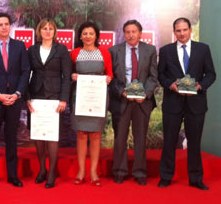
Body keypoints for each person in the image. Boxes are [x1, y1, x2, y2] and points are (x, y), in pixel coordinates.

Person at [157, 17, 216, 190]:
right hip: (172, 103)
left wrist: (200, 86)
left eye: (184, 30)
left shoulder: (202, 49)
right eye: (178, 30)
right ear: (174, 32)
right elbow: (161, 75)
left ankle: (196, 178)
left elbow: (211, 74)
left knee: (195, 142)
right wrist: (170, 84)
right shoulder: (166, 50)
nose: (181, 33)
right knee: (169, 141)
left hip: (196, 103)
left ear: (190, 30)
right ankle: (166, 176)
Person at [0, 13, 30, 188]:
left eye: (6, 24)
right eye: (0, 24)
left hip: (14, 100)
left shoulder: (20, 46)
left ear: (10, 26)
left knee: (11, 139)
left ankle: (13, 175)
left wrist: (17, 94)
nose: (3, 27)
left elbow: (25, 72)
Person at [109, 20, 158, 186]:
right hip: (122, 100)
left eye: (134, 31)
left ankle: (140, 172)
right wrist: (121, 92)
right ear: (124, 34)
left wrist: (145, 93)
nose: (131, 34)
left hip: (142, 101)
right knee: (120, 138)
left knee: (140, 138)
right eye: (127, 32)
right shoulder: (114, 51)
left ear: (140, 33)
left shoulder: (150, 50)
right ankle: (119, 171)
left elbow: (153, 76)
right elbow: (111, 77)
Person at [26, 19, 71, 189]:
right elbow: (26, 74)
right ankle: (42, 170)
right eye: (44, 28)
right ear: (39, 31)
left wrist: (64, 99)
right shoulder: (32, 50)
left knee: (52, 136)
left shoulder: (62, 50)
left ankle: (52, 172)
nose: (47, 31)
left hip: (54, 97)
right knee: (38, 135)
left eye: (50, 28)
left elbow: (67, 76)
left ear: (54, 31)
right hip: (36, 96)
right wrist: (27, 97)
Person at [70, 21, 113, 187]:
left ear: (96, 36)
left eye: (91, 33)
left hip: (98, 97)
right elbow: (68, 73)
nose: (88, 36)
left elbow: (110, 74)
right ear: (80, 36)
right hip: (80, 97)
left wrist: (109, 79)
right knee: (81, 134)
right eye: (85, 33)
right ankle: (81, 171)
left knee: (95, 134)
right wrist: (73, 76)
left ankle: (94, 172)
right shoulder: (74, 53)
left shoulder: (104, 53)